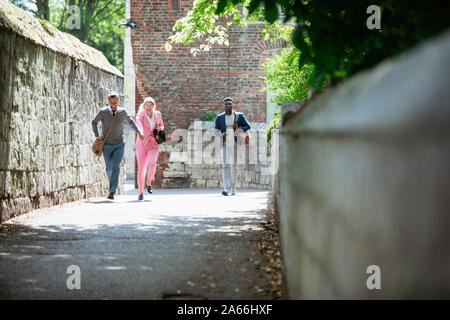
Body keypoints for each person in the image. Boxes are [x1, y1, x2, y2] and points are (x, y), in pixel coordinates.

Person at [92, 91, 143, 200]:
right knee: (109, 168)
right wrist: (97, 136)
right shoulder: (103, 112)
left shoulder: (122, 112)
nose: (113, 105)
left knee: (116, 166)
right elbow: (94, 122)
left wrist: (138, 131)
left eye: (115, 102)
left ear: (118, 101)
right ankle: (112, 187)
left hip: (119, 144)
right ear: (108, 102)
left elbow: (130, 121)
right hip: (106, 145)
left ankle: (112, 190)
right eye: (111, 103)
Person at [215, 97, 251, 196]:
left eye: (230, 104)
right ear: (224, 105)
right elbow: (216, 131)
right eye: (226, 104)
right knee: (225, 165)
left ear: (233, 105)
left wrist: (238, 128)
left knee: (234, 166)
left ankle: (234, 188)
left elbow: (248, 126)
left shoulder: (239, 116)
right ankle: (226, 188)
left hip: (236, 143)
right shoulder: (219, 117)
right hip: (225, 144)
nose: (228, 106)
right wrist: (221, 134)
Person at [135, 97, 164, 200]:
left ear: (153, 106)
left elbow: (161, 125)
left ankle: (148, 183)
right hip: (141, 144)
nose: (148, 107)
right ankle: (141, 192)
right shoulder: (140, 115)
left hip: (153, 144)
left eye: (150, 105)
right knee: (141, 169)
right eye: (146, 105)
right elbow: (138, 125)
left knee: (152, 163)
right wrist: (141, 132)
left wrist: (161, 128)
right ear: (144, 106)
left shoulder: (157, 114)